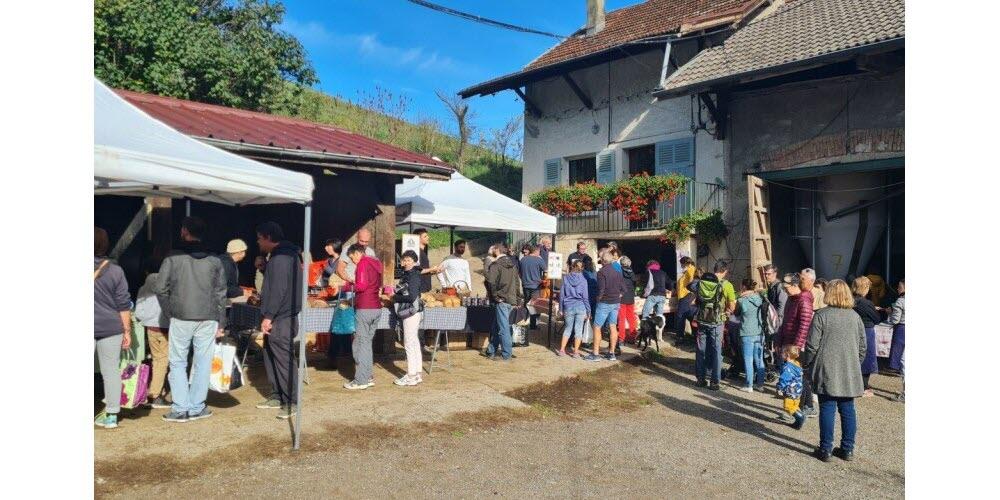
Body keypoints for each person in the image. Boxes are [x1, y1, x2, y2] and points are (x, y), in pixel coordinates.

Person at [155, 217, 227, 423]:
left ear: (184, 231)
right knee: (203, 362)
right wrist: (221, 322)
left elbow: (160, 288)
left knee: (177, 362)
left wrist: (170, 311)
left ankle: (180, 408)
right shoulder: (215, 261)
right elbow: (221, 293)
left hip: (181, 316)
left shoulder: (172, 259)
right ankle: (196, 407)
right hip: (209, 317)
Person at [803, 279, 866, 462]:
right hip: (849, 369)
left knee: (827, 408)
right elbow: (863, 347)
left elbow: (811, 346)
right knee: (848, 409)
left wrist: (807, 363)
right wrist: (854, 363)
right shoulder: (855, 317)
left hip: (826, 368)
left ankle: (826, 449)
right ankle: (847, 449)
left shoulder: (822, 315)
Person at [253, 222, 303, 418]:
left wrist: (268, 316)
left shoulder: (282, 257)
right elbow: (278, 283)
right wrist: (265, 269)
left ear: (267, 237)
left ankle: (292, 401)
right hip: (281, 316)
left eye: (259, 238)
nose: (258, 242)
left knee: (283, 359)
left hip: (281, 317)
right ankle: (277, 395)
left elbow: (279, 289)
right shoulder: (280, 256)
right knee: (270, 354)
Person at [94, 227, 132, 429]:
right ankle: (111, 416)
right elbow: (123, 304)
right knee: (110, 371)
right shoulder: (116, 270)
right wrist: (127, 331)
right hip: (111, 327)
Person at [776, 269, 817, 416]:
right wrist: (779, 342)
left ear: (795, 285)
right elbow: (785, 322)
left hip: (796, 346)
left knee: (800, 377)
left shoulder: (803, 300)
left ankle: (806, 406)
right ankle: (796, 407)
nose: (785, 291)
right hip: (788, 343)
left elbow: (804, 325)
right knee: (794, 376)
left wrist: (796, 347)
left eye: (787, 288)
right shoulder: (792, 299)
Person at [344, 243, 384, 390]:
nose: (352, 261)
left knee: (360, 344)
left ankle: (360, 380)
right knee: (367, 344)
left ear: (357, 253)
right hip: (376, 308)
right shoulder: (377, 263)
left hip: (364, 308)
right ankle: (368, 376)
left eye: (351, 258)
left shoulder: (362, 264)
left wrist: (347, 286)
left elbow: (361, 286)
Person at [693, 261, 737, 390]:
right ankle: (714, 382)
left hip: (702, 320)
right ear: (725, 271)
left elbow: (696, 300)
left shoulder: (702, 282)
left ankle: (700, 379)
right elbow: (732, 306)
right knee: (717, 350)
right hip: (717, 322)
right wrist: (728, 311)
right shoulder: (726, 285)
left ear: (714, 269)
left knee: (701, 350)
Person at [134, 271, 170, 409]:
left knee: (156, 359)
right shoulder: (167, 290)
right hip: (164, 329)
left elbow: (138, 313)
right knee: (162, 361)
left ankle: (154, 389)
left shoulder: (143, 289)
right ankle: (155, 394)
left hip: (150, 328)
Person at [484, 243, 522, 361]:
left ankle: (507, 354)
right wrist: (518, 299)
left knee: (503, 328)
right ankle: (491, 350)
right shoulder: (513, 265)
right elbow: (517, 283)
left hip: (502, 300)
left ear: (496, 250)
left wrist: (495, 296)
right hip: (510, 299)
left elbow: (490, 282)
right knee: (497, 326)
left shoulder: (496, 265)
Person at [586, 252, 626, 362]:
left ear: (603, 261)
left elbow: (601, 289)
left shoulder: (601, 272)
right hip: (615, 302)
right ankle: (611, 353)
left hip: (604, 302)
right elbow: (624, 289)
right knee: (613, 326)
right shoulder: (618, 272)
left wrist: (598, 299)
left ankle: (595, 354)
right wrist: (618, 295)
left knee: (597, 327)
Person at [394, 250, 424, 386]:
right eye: (404, 260)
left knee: (409, 343)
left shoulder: (413, 276)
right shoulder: (410, 274)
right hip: (414, 312)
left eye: (409, 260)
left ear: (414, 261)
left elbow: (412, 297)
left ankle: (411, 375)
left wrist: (395, 297)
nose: (406, 262)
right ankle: (417, 374)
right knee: (414, 342)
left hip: (411, 312)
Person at [852, 276, 881, 397]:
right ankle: (863, 387)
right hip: (866, 330)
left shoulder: (851, 301)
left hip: (853, 331)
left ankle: (853, 384)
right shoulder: (866, 303)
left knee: (854, 356)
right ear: (865, 288)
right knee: (867, 358)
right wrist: (874, 310)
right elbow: (877, 319)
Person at [736, 278, 766, 392]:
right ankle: (760, 384)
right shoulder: (759, 298)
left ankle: (749, 385)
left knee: (748, 359)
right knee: (759, 359)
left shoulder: (742, 300)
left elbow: (737, 313)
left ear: (744, 287)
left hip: (747, 332)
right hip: (759, 331)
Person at [558, 260, 591, 357]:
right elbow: (585, 297)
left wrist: (561, 308)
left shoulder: (565, 278)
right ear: (582, 268)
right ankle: (576, 352)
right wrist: (589, 311)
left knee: (567, 329)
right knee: (578, 330)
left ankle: (561, 350)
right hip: (581, 306)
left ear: (572, 266)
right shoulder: (584, 280)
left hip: (568, 306)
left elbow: (562, 295)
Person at [776, 345, 806, 429]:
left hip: (791, 390)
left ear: (788, 355)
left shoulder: (788, 367)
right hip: (797, 390)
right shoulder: (796, 364)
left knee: (788, 406)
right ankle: (798, 422)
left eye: (782, 353)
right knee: (795, 405)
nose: (781, 354)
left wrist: (780, 387)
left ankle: (800, 417)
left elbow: (784, 379)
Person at [518, 245, 547, 330]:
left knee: (527, 303)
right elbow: (546, 272)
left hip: (525, 285)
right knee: (535, 306)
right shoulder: (539, 260)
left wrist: (524, 279)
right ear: (536, 251)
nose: (540, 253)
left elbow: (519, 273)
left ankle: (525, 321)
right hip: (536, 286)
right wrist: (543, 280)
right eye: (539, 252)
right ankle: (533, 325)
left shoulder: (523, 260)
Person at [567, 241, 597, 315]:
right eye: (581, 249)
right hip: (573, 278)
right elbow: (568, 266)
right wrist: (568, 275)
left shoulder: (586, 256)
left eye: (584, 249)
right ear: (577, 248)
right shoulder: (572, 256)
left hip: (582, 279)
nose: (583, 250)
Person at [617, 256, 639, 348]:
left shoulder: (619, 272)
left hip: (622, 298)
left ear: (621, 264)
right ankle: (632, 337)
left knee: (621, 319)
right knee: (631, 318)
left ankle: (621, 339)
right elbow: (634, 284)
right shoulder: (632, 273)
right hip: (630, 298)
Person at [675, 256, 697, 338]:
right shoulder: (687, 271)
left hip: (686, 296)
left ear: (686, 263)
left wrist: (690, 291)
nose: (681, 266)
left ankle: (679, 337)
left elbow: (692, 282)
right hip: (684, 296)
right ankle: (694, 335)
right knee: (689, 315)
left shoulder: (690, 269)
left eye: (681, 264)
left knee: (680, 316)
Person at [888, 279, 905, 374]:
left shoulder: (900, 301)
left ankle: (895, 368)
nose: (898, 289)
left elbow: (896, 320)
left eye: (899, 287)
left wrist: (891, 313)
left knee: (899, 350)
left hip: (902, 328)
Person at [412, 228, 436, 293]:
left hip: (424, 288)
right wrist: (431, 269)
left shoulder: (422, 252)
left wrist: (434, 271)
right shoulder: (417, 252)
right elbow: (416, 271)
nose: (428, 237)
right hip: (420, 289)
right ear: (418, 239)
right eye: (425, 236)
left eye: (427, 236)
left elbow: (423, 270)